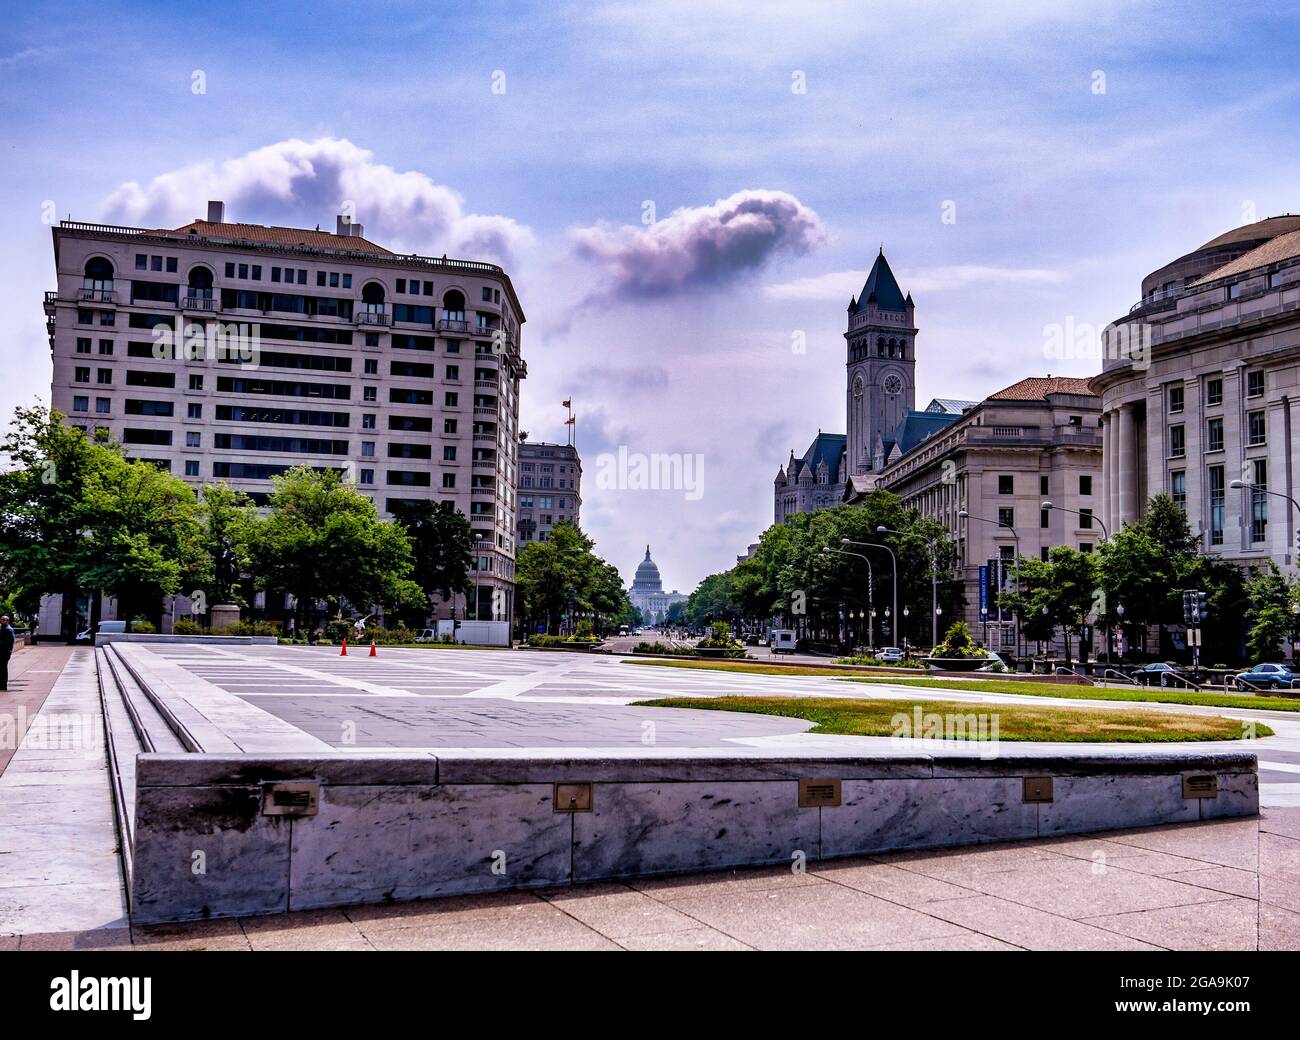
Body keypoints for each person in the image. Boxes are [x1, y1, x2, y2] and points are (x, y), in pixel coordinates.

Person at [0, 615, 15, 691]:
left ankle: (3, 685)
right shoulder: (2, 628)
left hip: (4, 653)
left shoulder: (9, 629)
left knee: (3, 669)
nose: (1, 620)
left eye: (3, 619)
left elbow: (11, 642)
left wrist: (8, 652)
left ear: (7, 621)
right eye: (1, 619)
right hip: (1, 652)